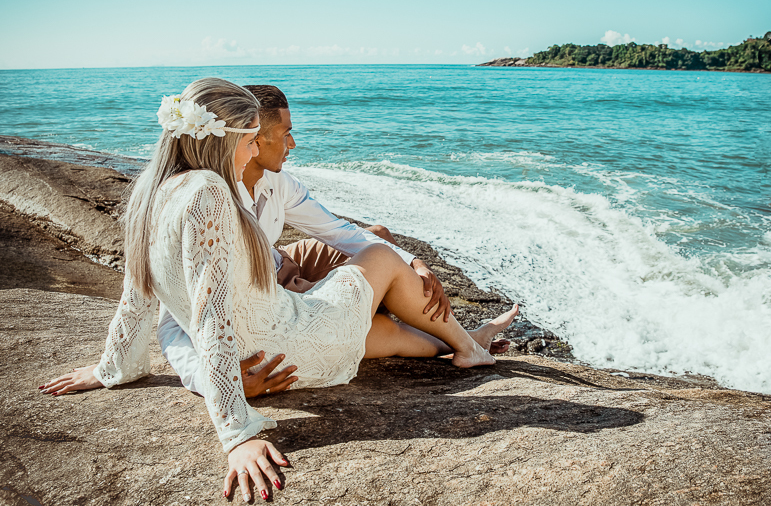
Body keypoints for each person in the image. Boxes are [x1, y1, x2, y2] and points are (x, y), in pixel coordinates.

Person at [38, 78, 518, 502]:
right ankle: (469, 349)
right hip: (286, 341)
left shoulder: (152, 189)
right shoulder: (209, 192)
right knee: (384, 257)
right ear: (228, 139)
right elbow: (210, 317)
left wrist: (114, 369)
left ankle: (467, 343)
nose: (255, 153)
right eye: (250, 140)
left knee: (375, 333)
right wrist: (235, 432)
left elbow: (138, 294)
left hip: (277, 350)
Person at [157, 84, 483, 398]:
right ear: (251, 137)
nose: (293, 144)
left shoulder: (274, 181)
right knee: (380, 271)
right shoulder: (207, 202)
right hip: (260, 296)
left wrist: (414, 261)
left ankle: (459, 338)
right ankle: (463, 342)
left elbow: (337, 230)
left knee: (379, 238)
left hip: (273, 264)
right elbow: (176, 318)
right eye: (285, 134)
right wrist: (217, 382)